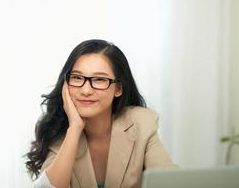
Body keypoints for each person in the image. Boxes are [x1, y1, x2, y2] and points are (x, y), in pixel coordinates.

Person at [25, 39, 177, 188]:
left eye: (99, 79)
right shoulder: (58, 133)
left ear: (118, 88)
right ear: (65, 84)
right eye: (77, 78)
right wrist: (75, 128)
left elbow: (171, 182)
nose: (86, 91)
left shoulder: (141, 123)